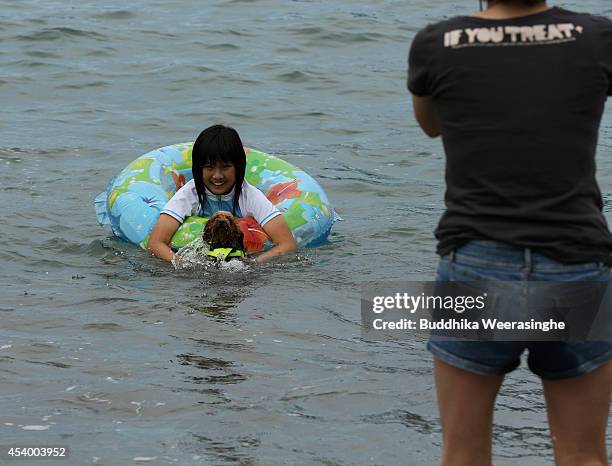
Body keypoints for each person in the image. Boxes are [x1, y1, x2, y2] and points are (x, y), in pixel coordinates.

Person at [407, 1, 612, 465]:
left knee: (463, 455)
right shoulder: (597, 35)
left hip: (476, 261)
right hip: (576, 259)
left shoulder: (437, 43)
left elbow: (431, 124)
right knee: (584, 456)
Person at [147, 124, 296, 264]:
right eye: (209, 167)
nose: (217, 175)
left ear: (238, 167)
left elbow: (286, 244)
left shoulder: (249, 195)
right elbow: (155, 243)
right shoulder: (189, 193)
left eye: (225, 167)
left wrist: (253, 265)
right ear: (199, 169)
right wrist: (183, 265)